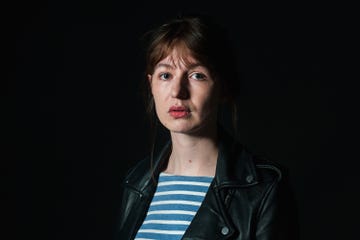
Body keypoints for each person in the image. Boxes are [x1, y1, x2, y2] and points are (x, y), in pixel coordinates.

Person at [115, 13, 299, 240]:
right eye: (165, 75)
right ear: (151, 84)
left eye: (196, 75)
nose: (177, 92)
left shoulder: (263, 190)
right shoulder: (138, 181)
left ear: (223, 87)